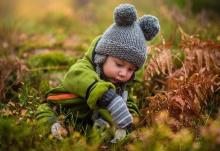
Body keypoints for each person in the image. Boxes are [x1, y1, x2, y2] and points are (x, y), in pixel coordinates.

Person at [36, 3, 160, 142]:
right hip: (61, 108)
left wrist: (129, 121)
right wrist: (107, 96)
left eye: (131, 69)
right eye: (119, 65)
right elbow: (75, 76)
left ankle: (95, 137)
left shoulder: (122, 85)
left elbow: (128, 101)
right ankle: (53, 128)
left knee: (105, 131)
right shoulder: (85, 67)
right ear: (102, 57)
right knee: (45, 113)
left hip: (87, 123)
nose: (124, 73)